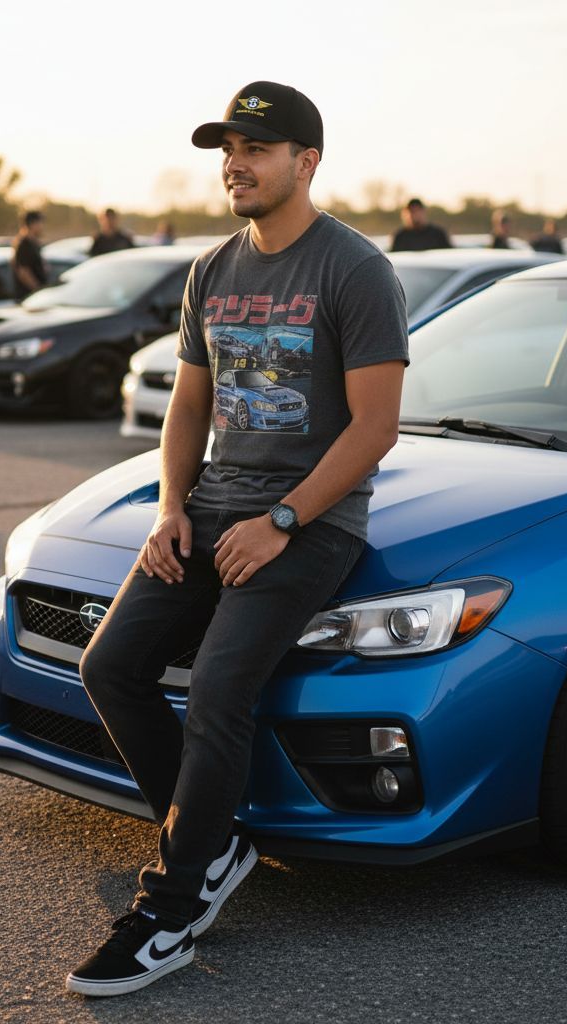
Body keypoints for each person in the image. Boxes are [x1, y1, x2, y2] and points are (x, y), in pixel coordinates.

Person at [66, 80, 409, 997]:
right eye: (227, 149)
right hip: (212, 505)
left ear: (307, 162)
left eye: (254, 149)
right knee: (112, 667)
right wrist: (170, 506)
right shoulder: (212, 268)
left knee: (221, 682)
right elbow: (190, 404)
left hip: (312, 520)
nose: (234, 164)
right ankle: (214, 844)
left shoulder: (355, 269)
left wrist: (284, 520)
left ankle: (170, 910)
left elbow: (375, 426)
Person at [11, 210, 46, 300]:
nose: (42, 226)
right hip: (28, 299)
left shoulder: (33, 243)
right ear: (32, 224)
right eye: (40, 223)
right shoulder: (24, 245)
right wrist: (38, 291)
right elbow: (23, 272)